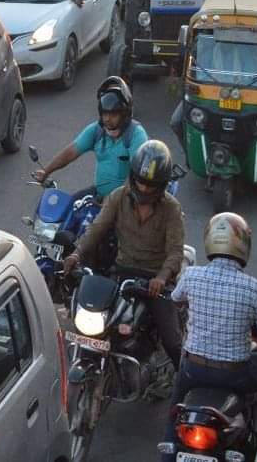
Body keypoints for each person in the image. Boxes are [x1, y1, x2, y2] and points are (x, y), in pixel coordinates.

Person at [160, 213, 257, 462]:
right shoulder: (254, 288)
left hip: (193, 370)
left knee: (173, 417)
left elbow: (176, 299)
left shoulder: (192, 275)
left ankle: (168, 452)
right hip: (235, 375)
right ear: (244, 246)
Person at [62, 140, 186, 370]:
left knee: (173, 342)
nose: (144, 188)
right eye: (140, 181)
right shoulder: (118, 196)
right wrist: (76, 254)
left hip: (154, 280)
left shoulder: (171, 208)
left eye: (151, 185)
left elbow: (175, 252)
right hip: (122, 273)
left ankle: (182, 388)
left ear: (162, 185)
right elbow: (96, 229)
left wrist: (161, 277)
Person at [31, 76, 149, 202]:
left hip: (126, 200)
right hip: (99, 194)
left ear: (124, 114)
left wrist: (115, 203)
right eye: (105, 113)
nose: (107, 119)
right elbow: (70, 152)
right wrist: (46, 171)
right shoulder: (96, 130)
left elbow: (138, 174)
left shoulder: (136, 135)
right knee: (66, 209)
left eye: (113, 114)